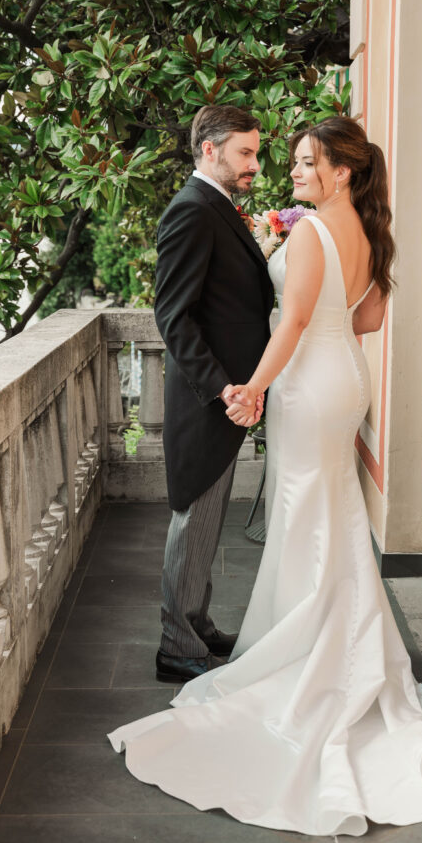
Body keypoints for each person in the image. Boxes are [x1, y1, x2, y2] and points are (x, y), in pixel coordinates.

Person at [109, 116, 422, 835]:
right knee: (329, 508)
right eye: (284, 161)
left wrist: (249, 388)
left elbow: (294, 319)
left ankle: (309, 647)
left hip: (306, 382)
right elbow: (364, 319)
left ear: (341, 171)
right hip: (345, 377)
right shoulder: (368, 232)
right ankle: (332, 634)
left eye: (305, 162)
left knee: (306, 510)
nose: (290, 172)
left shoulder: (311, 231)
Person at [152, 105, 275, 684]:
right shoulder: (192, 212)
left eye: (255, 151)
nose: (255, 162)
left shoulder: (217, 206)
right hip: (209, 398)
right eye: (245, 153)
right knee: (193, 519)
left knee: (207, 521)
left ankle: (195, 622)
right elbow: (175, 319)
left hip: (229, 396)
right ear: (209, 150)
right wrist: (223, 387)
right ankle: (175, 646)